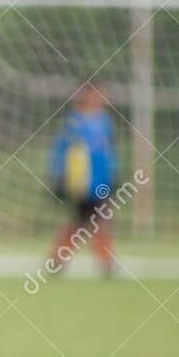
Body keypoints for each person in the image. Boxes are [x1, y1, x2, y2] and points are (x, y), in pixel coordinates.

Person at [44, 81, 118, 278]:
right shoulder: (74, 122)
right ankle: (103, 261)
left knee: (88, 221)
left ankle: (59, 259)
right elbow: (60, 150)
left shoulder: (105, 122)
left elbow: (108, 154)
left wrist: (113, 175)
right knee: (91, 221)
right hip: (80, 183)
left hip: (101, 183)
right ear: (85, 96)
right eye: (95, 94)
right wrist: (58, 175)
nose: (100, 98)